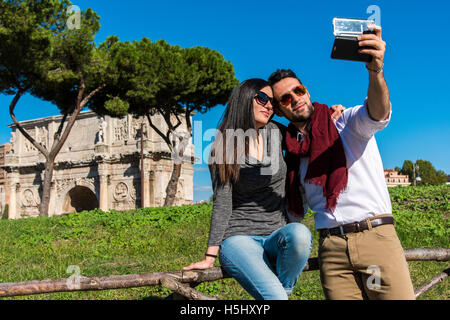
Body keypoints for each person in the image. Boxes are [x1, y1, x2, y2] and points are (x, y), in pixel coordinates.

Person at [268, 25, 415, 300]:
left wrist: (375, 72)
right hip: (331, 248)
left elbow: (378, 112)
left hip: (374, 238)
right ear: (280, 110)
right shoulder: (293, 154)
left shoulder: (346, 121)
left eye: (298, 90)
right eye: (285, 99)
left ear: (306, 91)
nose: (295, 99)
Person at [183, 78, 313, 300]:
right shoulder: (223, 146)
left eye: (272, 102)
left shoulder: (276, 132)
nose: (269, 106)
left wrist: (330, 114)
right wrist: (209, 256)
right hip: (239, 239)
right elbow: (223, 203)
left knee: (301, 234)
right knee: (277, 298)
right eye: (262, 98)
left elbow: (307, 132)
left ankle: (283, 291)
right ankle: (281, 295)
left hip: (277, 234)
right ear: (244, 99)